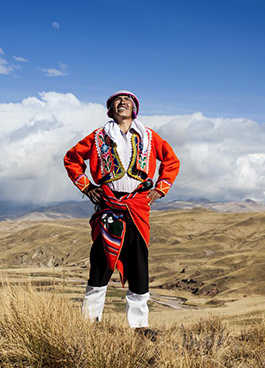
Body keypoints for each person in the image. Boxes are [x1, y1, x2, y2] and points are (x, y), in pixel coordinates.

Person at [63, 90, 179, 331]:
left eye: (127, 101)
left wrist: (160, 189)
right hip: (108, 207)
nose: (122, 103)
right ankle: (90, 323)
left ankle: (139, 327)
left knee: (138, 265)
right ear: (111, 109)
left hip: (137, 207)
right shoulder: (97, 137)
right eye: (117, 100)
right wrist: (87, 187)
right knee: (101, 264)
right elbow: (71, 159)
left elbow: (170, 161)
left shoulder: (149, 136)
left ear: (134, 109)